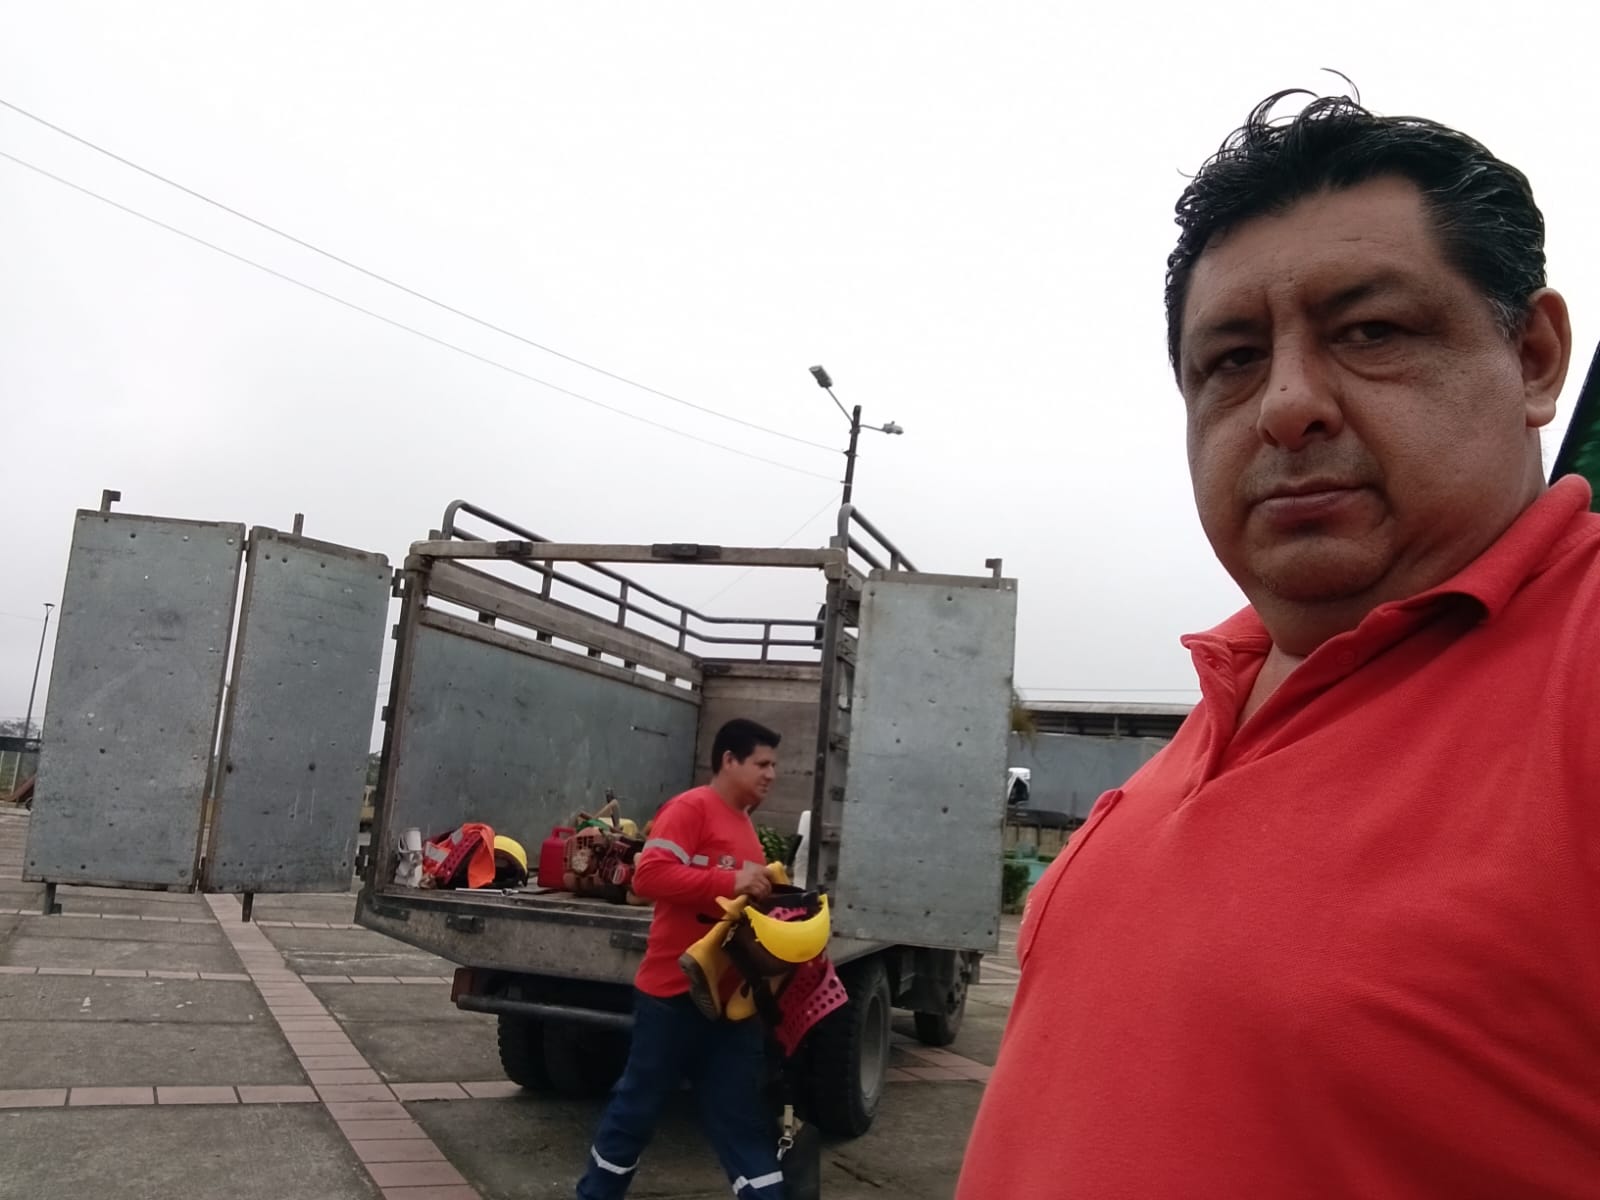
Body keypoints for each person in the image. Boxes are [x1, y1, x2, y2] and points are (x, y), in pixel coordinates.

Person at [959, 91, 1599, 1199]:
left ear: (1533, 358)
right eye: (1232, 359)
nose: (1286, 405)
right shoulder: (1215, 703)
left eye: (1371, 332)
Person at [578, 718, 784, 1200]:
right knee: (637, 1110)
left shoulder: (745, 825)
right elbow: (648, 877)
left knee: (741, 1118)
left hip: (729, 1004)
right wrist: (730, 880)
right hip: (672, 996)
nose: (771, 774)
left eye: (774, 765)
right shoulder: (690, 809)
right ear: (729, 760)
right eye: (762, 763)